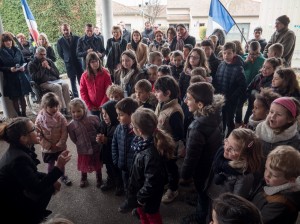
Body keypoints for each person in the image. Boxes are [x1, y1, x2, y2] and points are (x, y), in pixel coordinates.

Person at [0, 117, 71, 223]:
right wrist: (58, 167)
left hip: (14, 192)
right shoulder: (19, 159)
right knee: (47, 187)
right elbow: (37, 188)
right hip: (10, 205)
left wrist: (51, 178)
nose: (38, 130)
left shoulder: (18, 149)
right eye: (33, 129)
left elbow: (32, 174)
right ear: (23, 138)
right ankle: (33, 216)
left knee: (50, 182)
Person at [119, 108, 176, 223]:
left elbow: (152, 181)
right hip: (141, 191)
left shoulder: (150, 154)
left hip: (148, 196)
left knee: (152, 215)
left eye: (132, 126)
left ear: (139, 131)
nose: (131, 128)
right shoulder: (143, 143)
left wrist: (140, 197)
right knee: (142, 213)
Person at [180, 83, 224, 223]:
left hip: (202, 167)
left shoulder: (198, 127)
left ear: (199, 104)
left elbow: (192, 156)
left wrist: (185, 175)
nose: (185, 101)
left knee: (203, 192)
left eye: (188, 99)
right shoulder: (215, 112)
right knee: (206, 190)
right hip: (212, 162)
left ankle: (201, 215)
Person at [202, 128, 263, 223]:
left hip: (223, 207)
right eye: (226, 142)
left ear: (245, 155)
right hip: (213, 194)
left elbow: (236, 201)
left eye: (233, 149)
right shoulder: (221, 156)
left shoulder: (245, 176)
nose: (226, 148)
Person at [154, 76, 184, 204]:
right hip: (161, 143)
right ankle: (167, 182)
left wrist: (166, 141)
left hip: (170, 146)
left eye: (158, 91)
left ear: (167, 93)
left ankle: (173, 189)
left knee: (171, 168)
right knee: (165, 166)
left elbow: (179, 134)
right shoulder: (163, 103)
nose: (155, 93)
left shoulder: (174, 111)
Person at [252, 145, 300, 224]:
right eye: (266, 168)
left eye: (274, 175)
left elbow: (261, 221)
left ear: (291, 180)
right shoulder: (272, 182)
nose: (267, 175)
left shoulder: (281, 204)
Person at [35, 92, 72, 186]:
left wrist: (60, 144)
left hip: (60, 147)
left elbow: (64, 132)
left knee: (61, 163)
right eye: (51, 107)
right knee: (50, 165)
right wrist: (48, 145)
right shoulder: (39, 119)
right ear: (44, 106)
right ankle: (51, 179)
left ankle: (63, 176)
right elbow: (38, 135)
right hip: (48, 149)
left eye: (56, 106)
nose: (54, 109)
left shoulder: (61, 118)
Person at [213, 42, 246, 137]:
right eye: (224, 53)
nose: (226, 55)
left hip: (231, 101)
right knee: (221, 118)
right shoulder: (221, 65)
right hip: (220, 98)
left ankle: (229, 137)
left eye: (229, 53)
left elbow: (242, 86)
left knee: (229, 120)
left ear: (234, 53)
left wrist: (232, 97)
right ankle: (221, 135)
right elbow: (217, 79)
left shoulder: (239, 68)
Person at [67, 98, 102, 188]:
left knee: (97, 163)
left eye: (79, 111)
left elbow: (99, 129)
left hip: (95, 146)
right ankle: (83, 178)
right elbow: (73, 138)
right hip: (83, 149)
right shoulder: (71, 125)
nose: (76, 114)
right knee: (84, 164)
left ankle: (99, 178)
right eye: (73, 112)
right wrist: (80, 144)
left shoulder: (93, 118)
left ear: (84, 109)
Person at [28, 46, 71, 116]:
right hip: (43, 83)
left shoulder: (49, 61)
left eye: (44, 54)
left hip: (54, 80)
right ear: (36, 54)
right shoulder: (31, 64)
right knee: (57, 87)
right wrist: (42, 68)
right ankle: (62, 109)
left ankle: (69, 108)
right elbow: (34, 78)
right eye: (41, 54)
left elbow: (57, 73)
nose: (43, 56)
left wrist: (49, 67)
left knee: (65, 85)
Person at [112, 98, 139, 198]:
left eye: (121, 114)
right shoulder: (119, 128)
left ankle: (137, 203)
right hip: (123, 165)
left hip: (135, 169)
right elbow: (114, 144)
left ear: (132, 115)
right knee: (126, 184)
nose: (118, 118)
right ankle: (129, 199)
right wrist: (116, 160)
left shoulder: (138, 131)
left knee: (136, 186)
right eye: (117, 114)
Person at [0, 32, 31, 117]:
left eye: (9, 40)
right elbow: (0, 67)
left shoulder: (17, 50)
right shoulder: (1, 52)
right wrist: (9, 69)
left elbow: (23, 61)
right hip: (10, 78)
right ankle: (19, 115)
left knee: (22, 97)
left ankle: (24, 114)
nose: (8, 42)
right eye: (6, 41)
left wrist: (23, 67)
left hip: (20, 76)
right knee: (15, 98)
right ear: (3, 42)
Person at [235, 41, 265, 127]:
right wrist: (246, 61)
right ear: (248, 50)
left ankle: (246, 122)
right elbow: (239, 69)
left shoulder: (263, 60)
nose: (254, 56)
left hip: (254, 87)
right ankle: (238, 121)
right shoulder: (244, 57)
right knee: (239, 104)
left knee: (251, 106)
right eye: (252, 54)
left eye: (256, 54)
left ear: (260, 51)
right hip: (243, 85)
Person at [244, 57, 282, 124]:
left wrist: (254, 93)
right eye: (264, 67)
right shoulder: (258, 76)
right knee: (247, 120)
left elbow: (266, 98)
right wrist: (252, 94)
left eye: (268, 68)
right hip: (251, 105)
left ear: (274, 69)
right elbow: (249, 88)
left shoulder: (273, 82)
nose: (264, 69)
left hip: (261, 111)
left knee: (256, 123)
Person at [96, 100, 119, 191]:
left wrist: (106, 140)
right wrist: (99, 137)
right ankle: (110, 181)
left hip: (114, 154)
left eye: (106, 113)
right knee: (108, 168)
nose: (104, 116)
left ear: (113, 113)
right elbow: (99, 131)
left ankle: (119, 184)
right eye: (102, 113)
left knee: (116, 170)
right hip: (106, 152)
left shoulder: (118, 126)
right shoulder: (103, 123)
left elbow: (118, 141)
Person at [80, 52, 111, 117]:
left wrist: (103, 104)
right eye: (92, 62)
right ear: (88, 64)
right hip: (92, 107)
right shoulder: (84, 76)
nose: (95, 64)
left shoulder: (105, 73)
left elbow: (108, 90)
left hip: (105, 105)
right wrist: (89, 105)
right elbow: (83, 92)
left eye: (97, 61)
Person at [57, 23, 83, 98]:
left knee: (81, 81)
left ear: (70, 29)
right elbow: (60, 53)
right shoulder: (60, 41)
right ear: (62, 31)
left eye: (67, 29)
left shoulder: (77, 38)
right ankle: (76, 98)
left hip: (78, 63)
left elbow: (80, 49)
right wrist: (67, 59)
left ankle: (84, 97)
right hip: (69, 65)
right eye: (64, 30)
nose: (66, 31)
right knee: (72, 82)